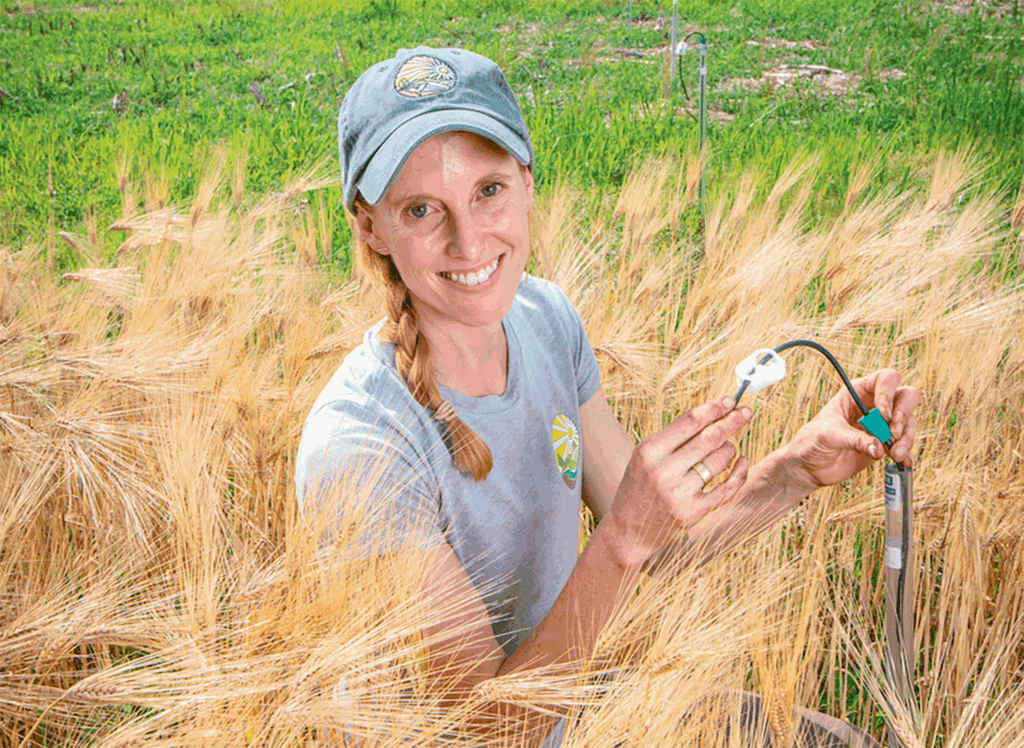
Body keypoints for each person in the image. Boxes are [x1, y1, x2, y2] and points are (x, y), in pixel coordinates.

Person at [295, 46, 921, 747]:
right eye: (420, 209)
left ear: (528, 182)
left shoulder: (545, 320)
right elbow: (485, 730)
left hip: (580, 711)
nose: (468, 241)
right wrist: (620, 539)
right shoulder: (360, 443)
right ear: (370, 226)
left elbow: (661, 549)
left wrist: (794, 470)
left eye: (489, 190)